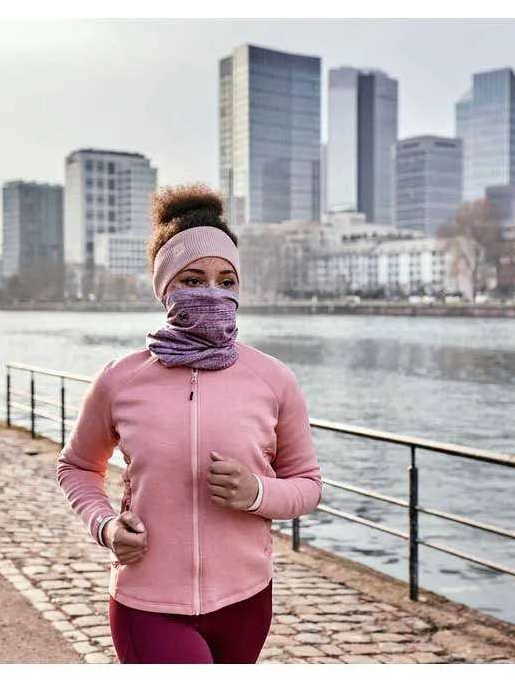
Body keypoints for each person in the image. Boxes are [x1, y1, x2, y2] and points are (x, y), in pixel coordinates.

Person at [57, 185, 322, 664]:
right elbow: (76, 466)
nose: (212, 293)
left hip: (246, 602)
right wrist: (106, 526)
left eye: (226, 280)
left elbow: (307, 485)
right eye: (193, 280)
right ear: (165, 289)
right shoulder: (119, 380)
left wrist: (256, 493)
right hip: (147, 603)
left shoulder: (274, 379)